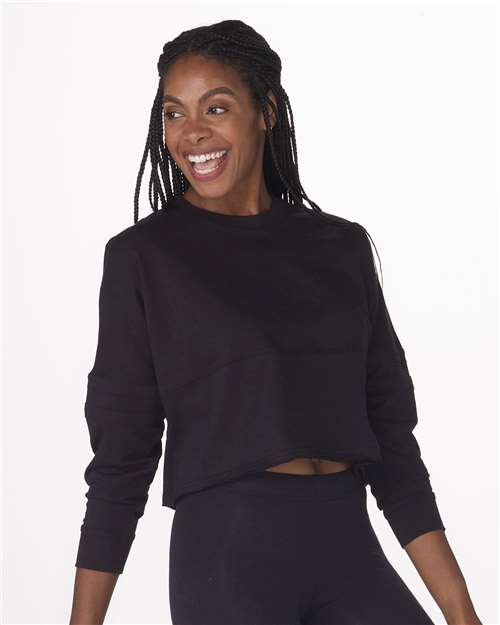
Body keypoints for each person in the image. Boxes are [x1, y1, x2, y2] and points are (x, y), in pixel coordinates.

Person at [69, 19, 482, 625]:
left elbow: (391, 440)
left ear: (265, 109)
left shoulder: (340, 248)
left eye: (215, 107)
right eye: (174, 113)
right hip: (229, 559)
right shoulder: (145, 257)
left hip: (347, 548)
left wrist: (461, 612)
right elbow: (121, 459)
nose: (192, 132)